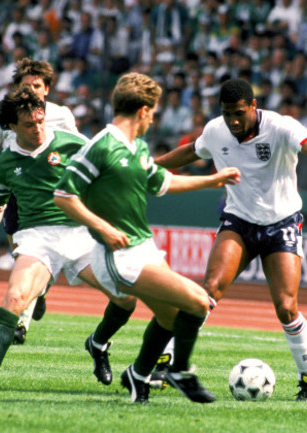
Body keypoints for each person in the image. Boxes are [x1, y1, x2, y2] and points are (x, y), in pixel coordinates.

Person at [154, 78, 307, 402]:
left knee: (287, 308)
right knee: (209, 290)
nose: (232, 121)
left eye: (238, 113)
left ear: (252, 107)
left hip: (282, 225)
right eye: (226, 113)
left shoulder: (279, 127)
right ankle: (167, 360)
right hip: (239, 222)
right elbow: (192, 152)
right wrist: (150, 166)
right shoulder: (217, 130)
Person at [53, 72, 241, 403]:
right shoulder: (101, 146)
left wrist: (212, 180)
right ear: (142, 110)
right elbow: (64, 196)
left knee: (170, 318)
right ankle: (180, 371)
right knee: (198, 302)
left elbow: (161, 182)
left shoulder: (138, 147)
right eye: (152, 112)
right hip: (117, 255)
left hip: (143, 248)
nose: (153, 120)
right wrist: (104, 228)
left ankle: (138, 376)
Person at [0, 88, 137, 392]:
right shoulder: (6, 163)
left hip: (80, 235)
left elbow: (107, 166)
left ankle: (98, 344)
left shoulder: (71, 143)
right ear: (12, 128)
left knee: (126, 297)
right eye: (29, 125)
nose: (38, 129)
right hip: (37, 239)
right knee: (15, 299)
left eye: (41, 121)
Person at [0, 58, 77, 344]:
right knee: (18, 251)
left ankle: (21, 322)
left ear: (47, 89)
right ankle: (40, 290)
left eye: (37, 85)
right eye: (27, 85)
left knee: (31, 252)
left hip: (49, 193)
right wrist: (2, 177)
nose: (32, 90)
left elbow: (76, 152)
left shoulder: (61, 115)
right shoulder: (6, 112)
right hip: (17, 189)